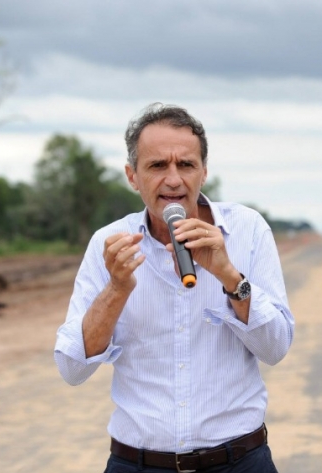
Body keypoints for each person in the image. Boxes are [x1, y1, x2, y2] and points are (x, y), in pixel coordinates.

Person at [55, 103, 294, 473]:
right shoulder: (110, 243)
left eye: (185, 165)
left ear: (203, 172)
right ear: (132, 176)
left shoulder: (248, 230)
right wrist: (117, 289)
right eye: (156, 166)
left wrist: (229, 275)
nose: (173, 179)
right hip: (137, 464)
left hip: (239, 462)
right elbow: (72, 369)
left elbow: (275, 348)